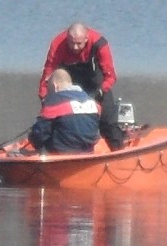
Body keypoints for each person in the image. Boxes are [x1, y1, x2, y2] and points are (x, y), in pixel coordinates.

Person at [39, 22, 124, 151]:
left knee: (107, 121)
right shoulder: (58, 44)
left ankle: (118, 151)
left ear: (86, 38)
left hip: (95, 80)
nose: (75, 47)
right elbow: (48, 72)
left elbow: (111, 76)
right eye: (71, 43)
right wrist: (45, 96)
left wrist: (100, 92)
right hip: (69, 79)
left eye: (79, 43)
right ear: (67, 38)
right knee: (60, 118)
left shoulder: (99, 43)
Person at [29, 69, 101, 153]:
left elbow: (39, 135)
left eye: (49, 90)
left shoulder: (53, 101)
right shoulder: (92, 101)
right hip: (87, 152)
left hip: (61, 154)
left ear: (56, 87)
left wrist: (31, 136)